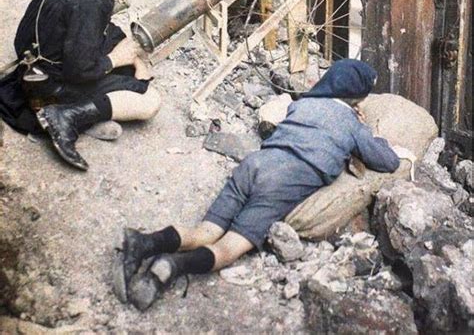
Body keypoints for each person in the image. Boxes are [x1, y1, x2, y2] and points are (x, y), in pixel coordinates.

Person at [115, 59, 400, 311]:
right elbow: (387, 162)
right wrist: (367, 131)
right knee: (228, 248)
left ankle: (145, 242)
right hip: (285, 181)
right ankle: (173, 267)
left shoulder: (303, 104)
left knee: (204, 232)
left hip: (254, 165)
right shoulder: (351, 124)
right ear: (357, 99)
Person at [0, 0, 161, 171]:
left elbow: (27, 38)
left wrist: (132, 56)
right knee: (149, 101)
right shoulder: (90, 0)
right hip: (48, 87)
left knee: (124, 58)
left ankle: (90, 113)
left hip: (34, 67)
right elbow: (79, 70)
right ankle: (66, 117)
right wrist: (116, 59)